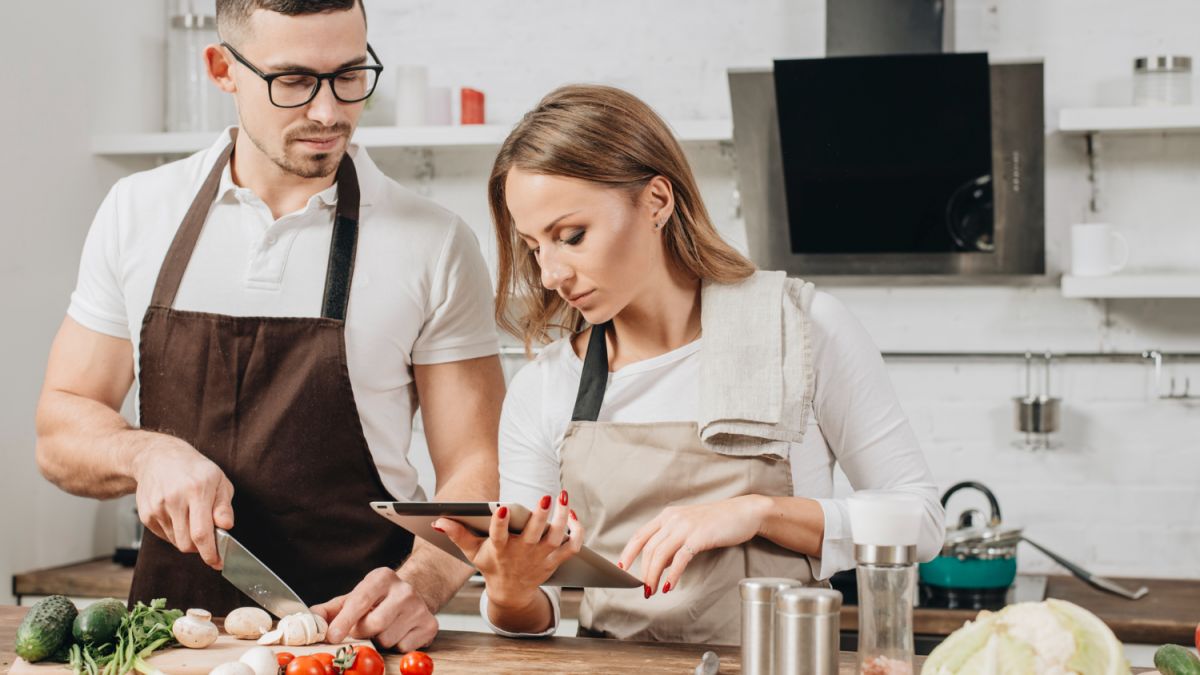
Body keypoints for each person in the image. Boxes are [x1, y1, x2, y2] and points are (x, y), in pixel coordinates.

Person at [34, 0, 503, 651]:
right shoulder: (138, 211)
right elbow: (61, 427)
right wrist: (146, 452)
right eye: (293, 80)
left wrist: (421, 583)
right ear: (222, 68)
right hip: (167, 646)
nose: (328, 110)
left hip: (358, 647)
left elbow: (476, 471)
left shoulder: (435, 242)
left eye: (348, 74)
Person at [436, 85, 946, 644]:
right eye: (535, 246)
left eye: (572, 236)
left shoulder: (803, 330)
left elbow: (919, 521)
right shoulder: (545, 385)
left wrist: (759, 513)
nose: (551, 274)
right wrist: (510, 592)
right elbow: (532, 618)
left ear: (657, 201)